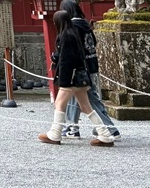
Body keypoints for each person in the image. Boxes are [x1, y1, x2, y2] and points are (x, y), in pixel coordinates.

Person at [39, 10, 115, 147]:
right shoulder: (73, 33)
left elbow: (67, 61)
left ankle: (55, 133)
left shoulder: (66, 36)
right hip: (80, 76)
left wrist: (63, 80)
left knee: (59, 104)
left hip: (71, 78)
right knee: (86, 107)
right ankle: (105, 135)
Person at [61, 0, 121, 141]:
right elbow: (93, 43)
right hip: (91, 65)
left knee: (91, 99)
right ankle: (72, 127)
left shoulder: (73, 26)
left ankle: (109, 128)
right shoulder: (85, 25)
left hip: (81, 68)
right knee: (77, 97)